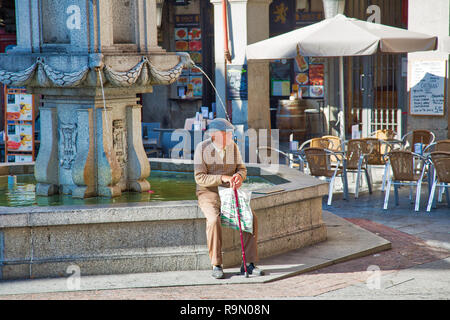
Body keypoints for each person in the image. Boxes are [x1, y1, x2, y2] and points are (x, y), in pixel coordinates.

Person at [194, 118, 264, 279]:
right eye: (227, 134)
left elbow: (242, 169)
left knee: (250, 217)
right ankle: (216, 264)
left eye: (231, 134)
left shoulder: (233, 147)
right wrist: (223, 178)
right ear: (215, 135)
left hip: (230, 192)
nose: (231, 137)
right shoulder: (202, 148)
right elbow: (199, 178)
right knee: (213, 220)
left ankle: (249, 264)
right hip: (208, 193)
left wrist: (239, 176)